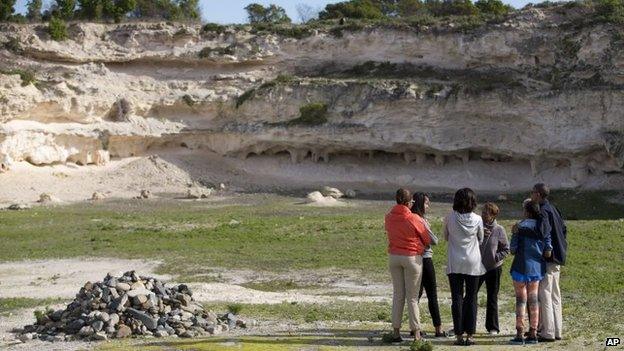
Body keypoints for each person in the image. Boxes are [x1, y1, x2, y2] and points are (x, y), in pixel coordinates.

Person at [385, 188, 432, 342]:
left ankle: (396, 331)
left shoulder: (389, 217)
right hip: (411, 257)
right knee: (412, 298)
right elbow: (427, 239)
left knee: (398, 295)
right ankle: (416, 333)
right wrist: (418, 247)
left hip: (394, 256)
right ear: (409, 202)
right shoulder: (414, 218)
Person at [444, 188, 486, 346]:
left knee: (457, 298)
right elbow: (481, 238)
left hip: (455, 261)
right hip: (473, 261)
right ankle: (470, 335)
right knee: (471, 298)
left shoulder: (449, 217)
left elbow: (446, 237)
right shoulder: (477, 219)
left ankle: (459, 335)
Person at [509, 200, 552, 345]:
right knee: (534, 300)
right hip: (536, 269)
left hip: (520, 268)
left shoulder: (519, 227)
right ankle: (533, 332)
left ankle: (519, 332)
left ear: (526, 212)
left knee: (521, 300)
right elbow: (547, 251)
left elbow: (513, 249)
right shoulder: (543, 228)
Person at [531, 183, 567, 342]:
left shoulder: (543, 211)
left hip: (548, 257)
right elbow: (564, 229)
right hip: (558, 256)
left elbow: (543, 232)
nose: (532, 195)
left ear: (538, 194)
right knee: (555, 294)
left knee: (544, 294)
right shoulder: (554, 209)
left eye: (533, 193)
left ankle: (548, 332)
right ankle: (558, 330)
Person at [411, 192, 447, 338]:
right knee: (432, 294)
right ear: (420, 204)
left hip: (414, 258)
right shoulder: (421, 220)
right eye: (426, 203)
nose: (428, 205)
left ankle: (415, 328)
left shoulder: (410, 218)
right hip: (425, 259)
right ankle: (438, 328)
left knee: (415, 295)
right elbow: (434, 240)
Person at [477, 202, 510, 335]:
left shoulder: (499, 229)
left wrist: (495, 258)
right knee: (470, 295)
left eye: (486, 213)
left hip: (494, 268)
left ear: (493, 215)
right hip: (477, 267)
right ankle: (466, 324)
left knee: (492, 297)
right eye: (483, 211)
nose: (483, 214)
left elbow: (506, 249)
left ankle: (493, 327)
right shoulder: (477, 226)